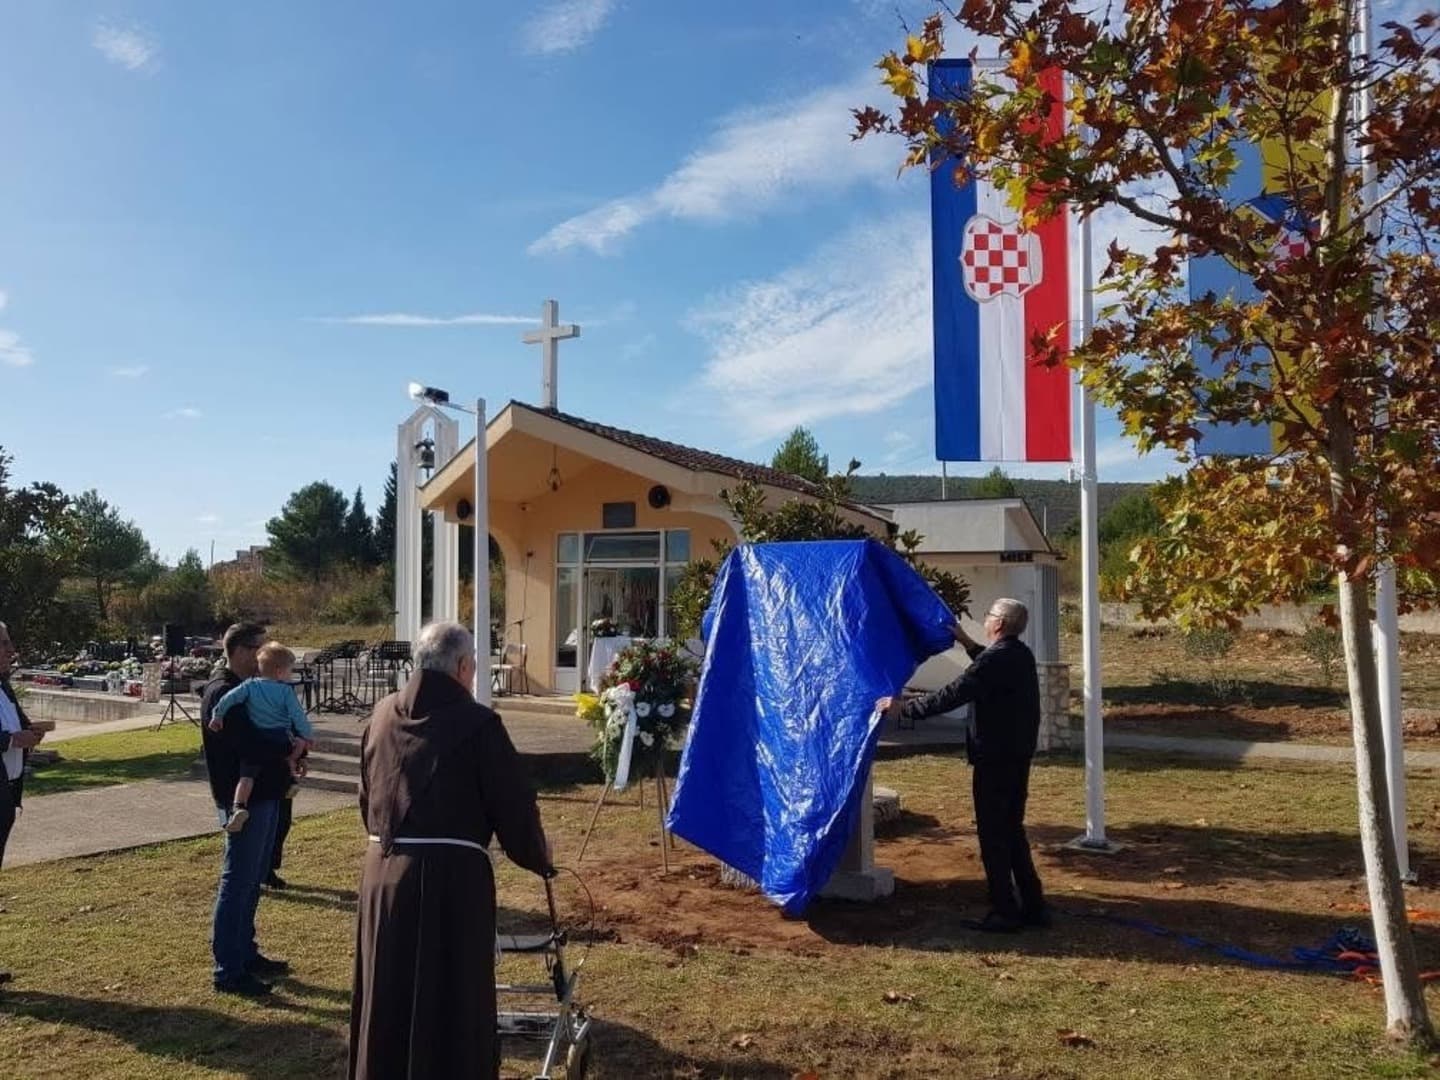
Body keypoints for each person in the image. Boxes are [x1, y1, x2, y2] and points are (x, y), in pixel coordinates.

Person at [350, 621, 552, 1080]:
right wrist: (539, 856)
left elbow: (368, 798)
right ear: (463, 667)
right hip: (448, 883)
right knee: (450, 996)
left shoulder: (380, 715)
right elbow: (512, 803)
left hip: (380, 875)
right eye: (474, 666)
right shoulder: (478, 724)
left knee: (389, 993)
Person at [878, 597, 1049, 934]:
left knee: (994, 836)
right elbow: (986, 665)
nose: (985, 619)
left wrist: (902, 708)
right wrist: (967, 642)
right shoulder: (1017, 654)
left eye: (989, 616)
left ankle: (1004, 911)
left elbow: (953, 693)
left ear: (998, 624)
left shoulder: (996, 661)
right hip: (1015, 757)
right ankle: (1033, 906)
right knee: (1012, 831)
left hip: (995, 760)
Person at [201, 622, 294, 997]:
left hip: (266, 794)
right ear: (239, 650)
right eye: (259, 648)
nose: (265, 656)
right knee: (237, 882)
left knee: (251, 881)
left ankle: (245, 952)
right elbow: (250, 744)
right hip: (243, 801)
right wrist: (288, 747)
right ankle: (228, 968)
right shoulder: (223, 692)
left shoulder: (249, 690)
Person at [208, 642, 313, 834]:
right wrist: (307, 736)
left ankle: (239, 806)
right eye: (291, 670)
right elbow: (298, 716)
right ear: (280, 672)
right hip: (280, 735)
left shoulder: (249, 686)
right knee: (295, 748)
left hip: (258, 736)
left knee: (247, 776)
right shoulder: (285, 691)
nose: (291, 675)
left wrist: (217, 715)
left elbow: (228, 699)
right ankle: (291, 777)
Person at [0, 620, 45, 987]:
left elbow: (19, 725)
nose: (11, 650)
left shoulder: (4, 687)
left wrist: (32, 734)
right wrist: (10, 740)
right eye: (3, 643)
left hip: (8, 792)